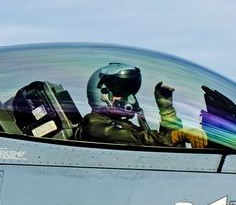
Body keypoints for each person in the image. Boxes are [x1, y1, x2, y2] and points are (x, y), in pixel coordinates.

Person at [74, 63, 207, 148]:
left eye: (129, 93)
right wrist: (176, 136)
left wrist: (167, 112)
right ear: (101, 94)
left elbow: (167, 148)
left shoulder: (126, 126)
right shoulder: (93, 124)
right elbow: (138, 140)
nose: (128, 98)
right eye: (121, 92)